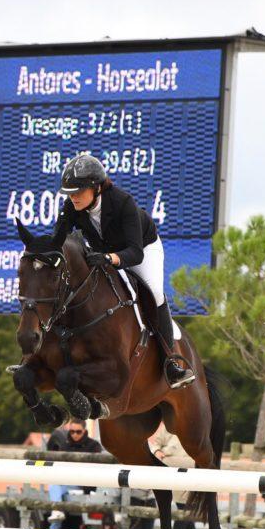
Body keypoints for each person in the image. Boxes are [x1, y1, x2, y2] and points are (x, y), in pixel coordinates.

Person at [52, 154, 196, 389]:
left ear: (96, 188)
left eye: (78, 191)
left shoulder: (123, 202)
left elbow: (135, 253)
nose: (73, 196)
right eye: (70, 192)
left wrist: (110, 258)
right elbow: (58, 238)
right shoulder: (73, 206)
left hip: (141, 249)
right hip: (104, 251)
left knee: (154, 293)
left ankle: (171, 362)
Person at [148, 424, 209, 529]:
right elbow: (154, 444)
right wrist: (158, 452)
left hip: (190, 480)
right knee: (187, 525)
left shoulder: (198, 424)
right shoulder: (169, 426)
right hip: (171, 481)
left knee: (182, 525)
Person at [45, 418, 102, 529]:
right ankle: (54, 525)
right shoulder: (65, 446)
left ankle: (56, 516)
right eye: (72, 431)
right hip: (68, 482)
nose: (75, 435)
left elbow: (97, 469)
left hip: (86, 485)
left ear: (84, 431)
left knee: (55, 487)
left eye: (78, 432)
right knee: (54, 484)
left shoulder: (94, 446)